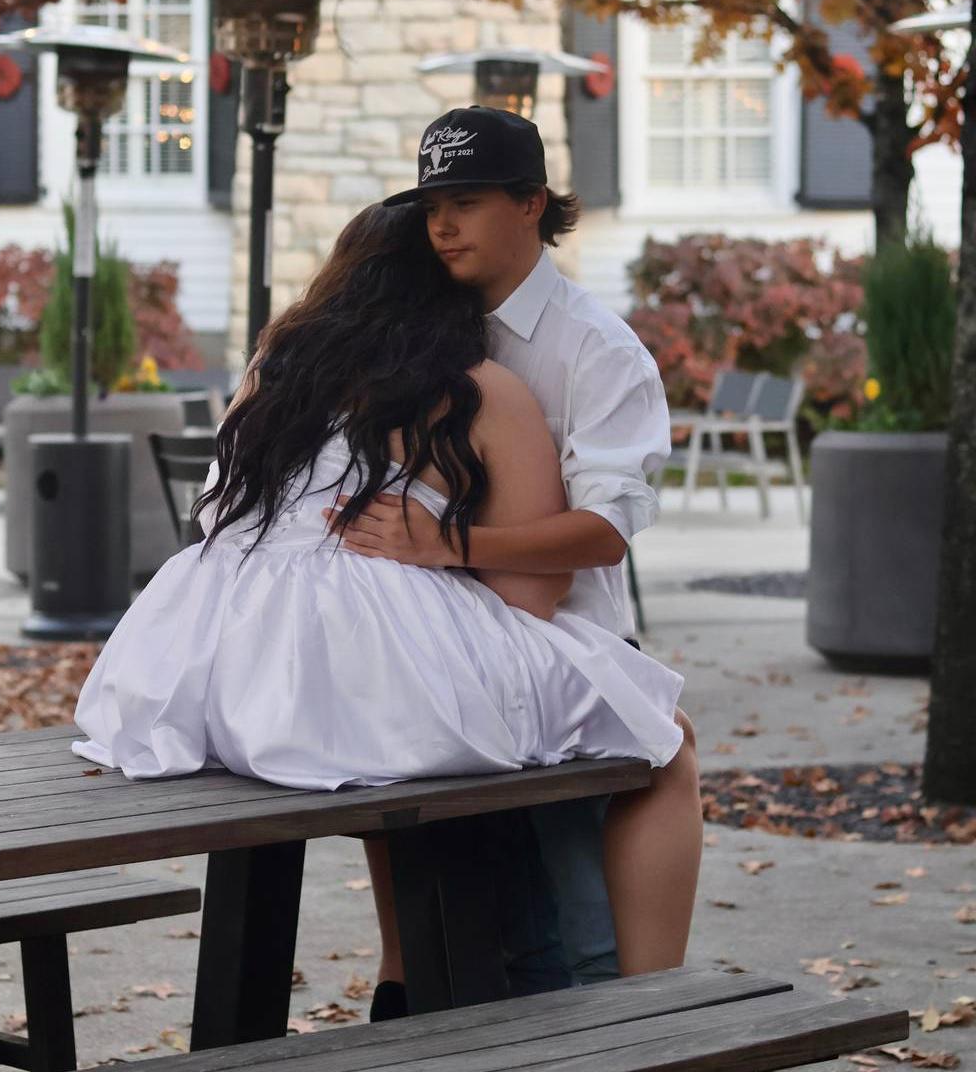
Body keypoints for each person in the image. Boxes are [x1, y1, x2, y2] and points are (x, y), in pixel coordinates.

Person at [71, 200, 700, 987]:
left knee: (385, 730)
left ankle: (400, 980)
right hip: (366, 686)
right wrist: (437, 548)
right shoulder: (477, 391)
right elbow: (534, 595)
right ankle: (656, 1002)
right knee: (662, 735)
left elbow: (213, 511)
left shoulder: (275, 370)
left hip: (210, 675)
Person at [328, 106, 696, 1019]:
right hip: (435, 657)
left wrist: (447, 545)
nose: (442, 226)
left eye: (466, 203)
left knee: (587, 938)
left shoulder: (594, 348)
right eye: (431, 207)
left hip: (566, 646)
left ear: (532, 204)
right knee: (507, 944)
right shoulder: (412, 332)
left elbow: (605, 531)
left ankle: (646, 1027)